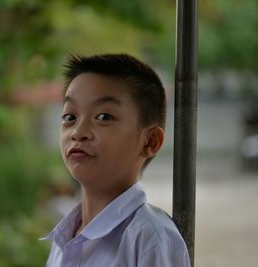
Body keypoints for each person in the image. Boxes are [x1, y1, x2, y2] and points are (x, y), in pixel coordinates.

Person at [41, 54, 191, 267]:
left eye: (103, 117)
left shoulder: (150, 238)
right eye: (69, 117)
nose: (78, 132)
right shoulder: (64, 237)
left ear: (150, 141)